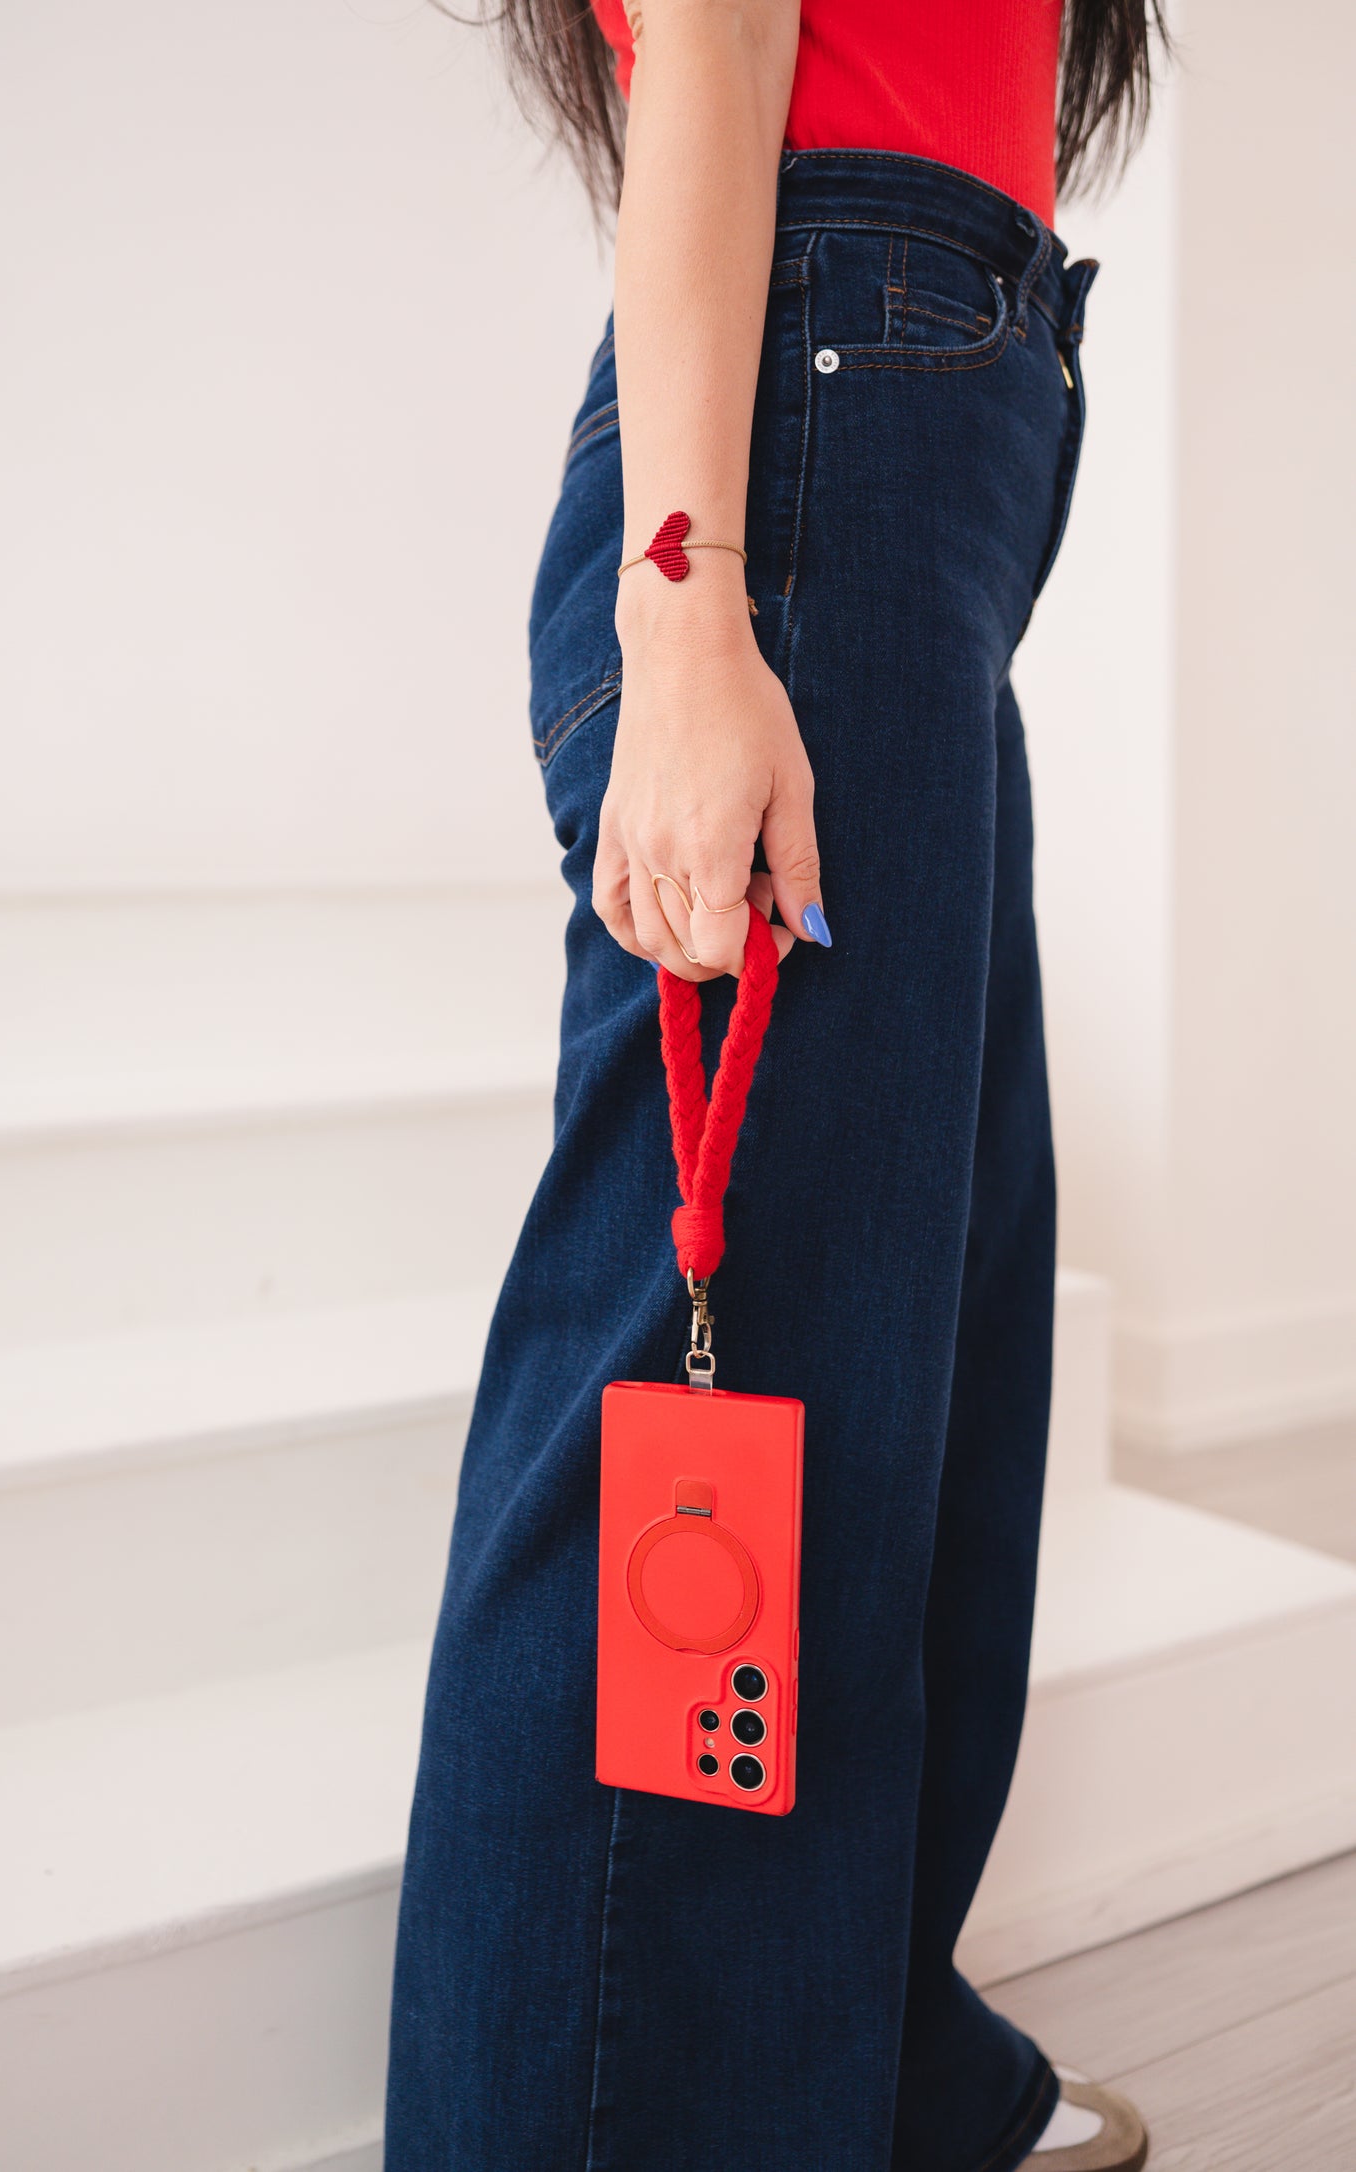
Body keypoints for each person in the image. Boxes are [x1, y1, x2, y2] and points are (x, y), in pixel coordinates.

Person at [385, 2, 1166, 2165]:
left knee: (936, 1377)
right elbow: (717, 42)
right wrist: (690, 612)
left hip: (914, 462)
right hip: (801, 466)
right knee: (728, 1410)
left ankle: (866, 2064)